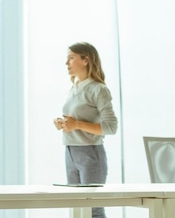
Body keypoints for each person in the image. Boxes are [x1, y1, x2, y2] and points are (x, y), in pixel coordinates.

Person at [53, 42, 118, 218]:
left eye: (71, 58)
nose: (67, 63)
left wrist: (77, 125)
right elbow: (76, 120)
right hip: (70, 152)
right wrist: (64, 124)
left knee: (93, 210)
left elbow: (111, 127)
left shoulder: (99, 89)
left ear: (85, 60)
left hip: (91, 154)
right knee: (76, 208)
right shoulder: (73, 88)